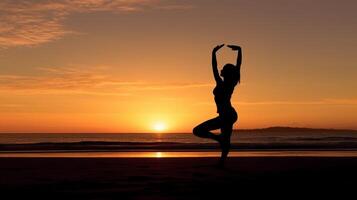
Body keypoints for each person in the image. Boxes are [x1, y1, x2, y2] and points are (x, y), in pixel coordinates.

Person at [193, 44, 242, 167]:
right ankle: (222, 161)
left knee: (198, 130)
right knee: (224, 138)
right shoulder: (227, 84)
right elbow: (219, 67)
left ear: (226, 73)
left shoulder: (226, 84)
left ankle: (220, 147)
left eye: (224, 69)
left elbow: (234, 66)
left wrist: (214, 53)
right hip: (228, 114)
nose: (222, 70)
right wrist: (214, 53)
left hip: (227, 115)